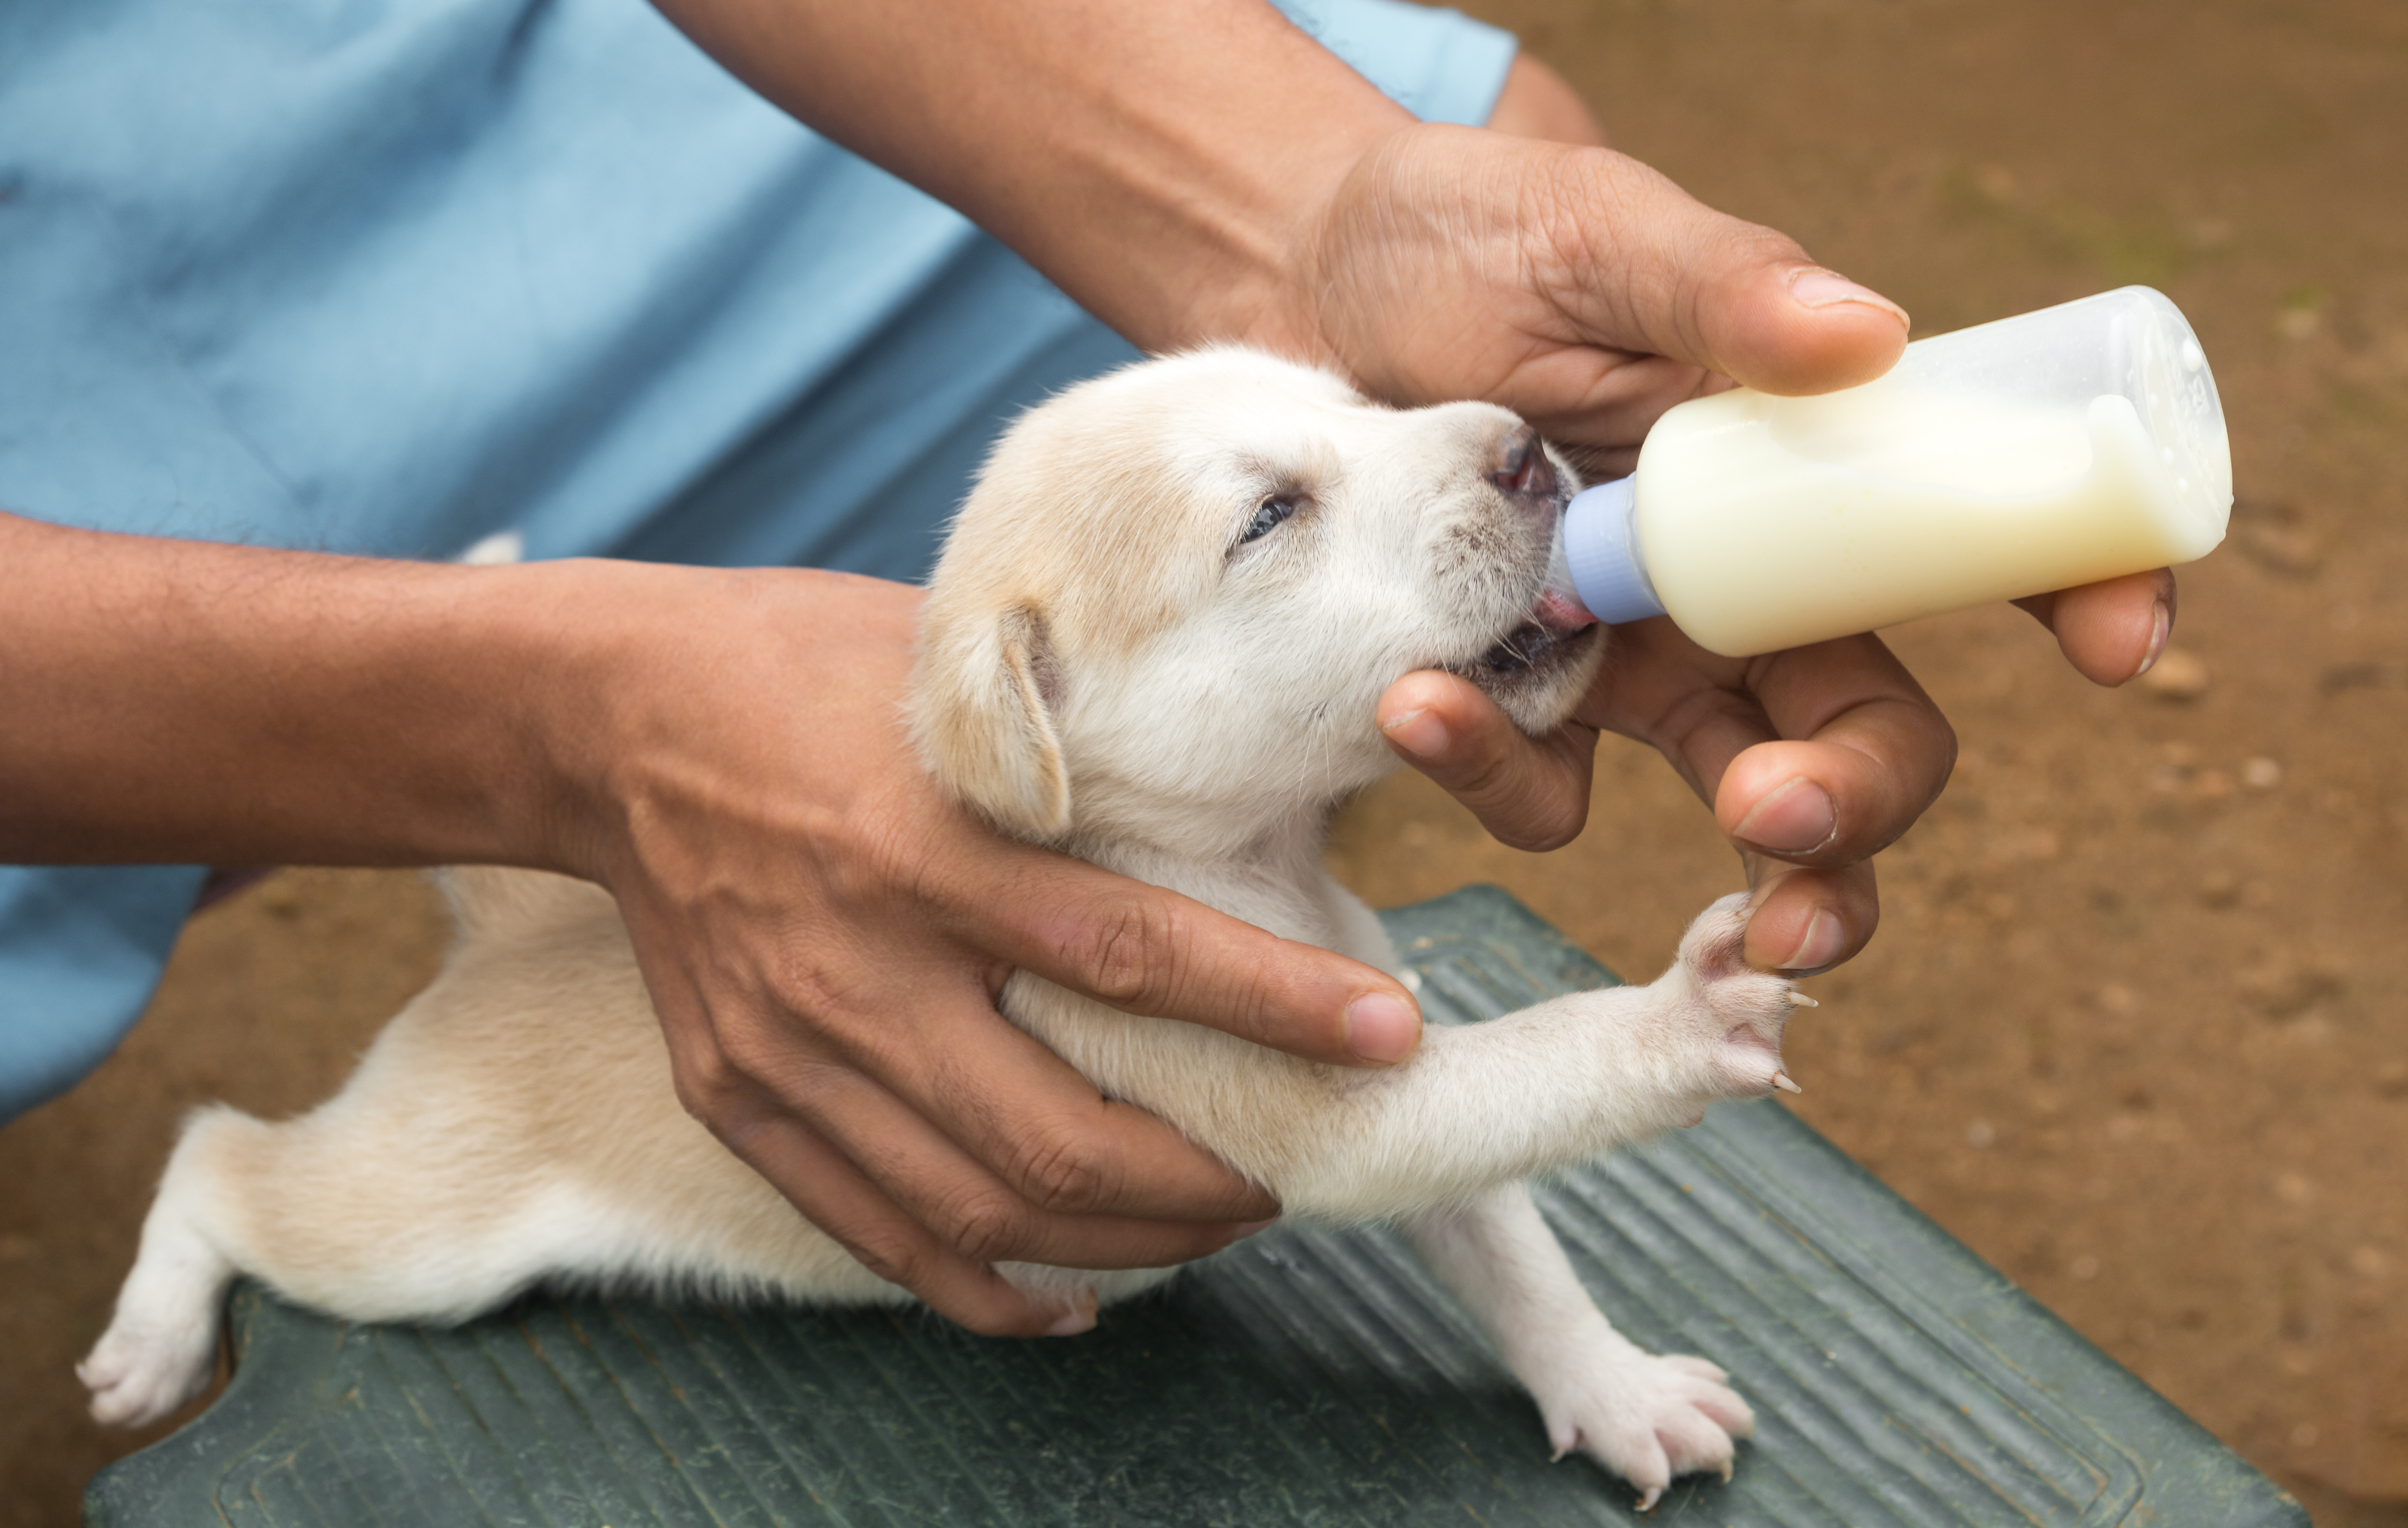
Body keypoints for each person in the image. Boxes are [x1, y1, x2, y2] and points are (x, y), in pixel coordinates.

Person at [0, 0, 2174, 1338]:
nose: (1475, 448)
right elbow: (1384, 1129)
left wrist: (1312, 204)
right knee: (401, 1231)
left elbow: (1400, 1122)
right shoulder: (1062, 769)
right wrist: (545, 719)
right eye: (1276, 509)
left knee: (1473, 105)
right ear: (1026, 728)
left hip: (457, 83)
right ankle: (222, 1187)